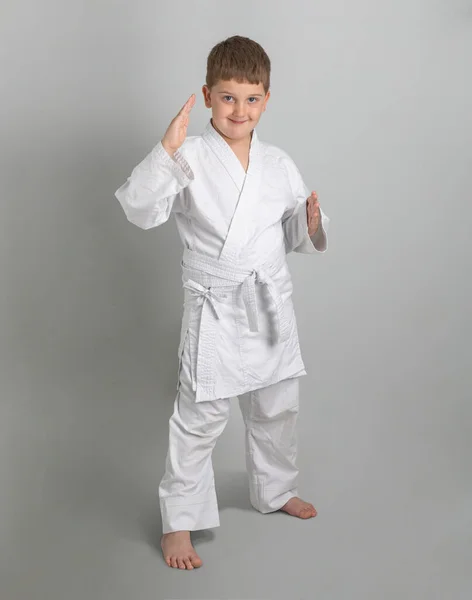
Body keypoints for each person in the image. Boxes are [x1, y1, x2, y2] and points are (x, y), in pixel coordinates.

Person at [114, 35, 330, 570]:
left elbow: (291, 233)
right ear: (208, 95)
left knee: (277, 406)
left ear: (267, 99)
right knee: (200, 416)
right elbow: (141, 209)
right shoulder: (186, 155)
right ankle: (179, 522)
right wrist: (165, 151)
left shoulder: (277, 163)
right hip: (215, 304)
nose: (240, 110)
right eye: (229, 97)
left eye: (251, 98)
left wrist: (309, 223)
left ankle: (275, 489)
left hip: (268, 302)